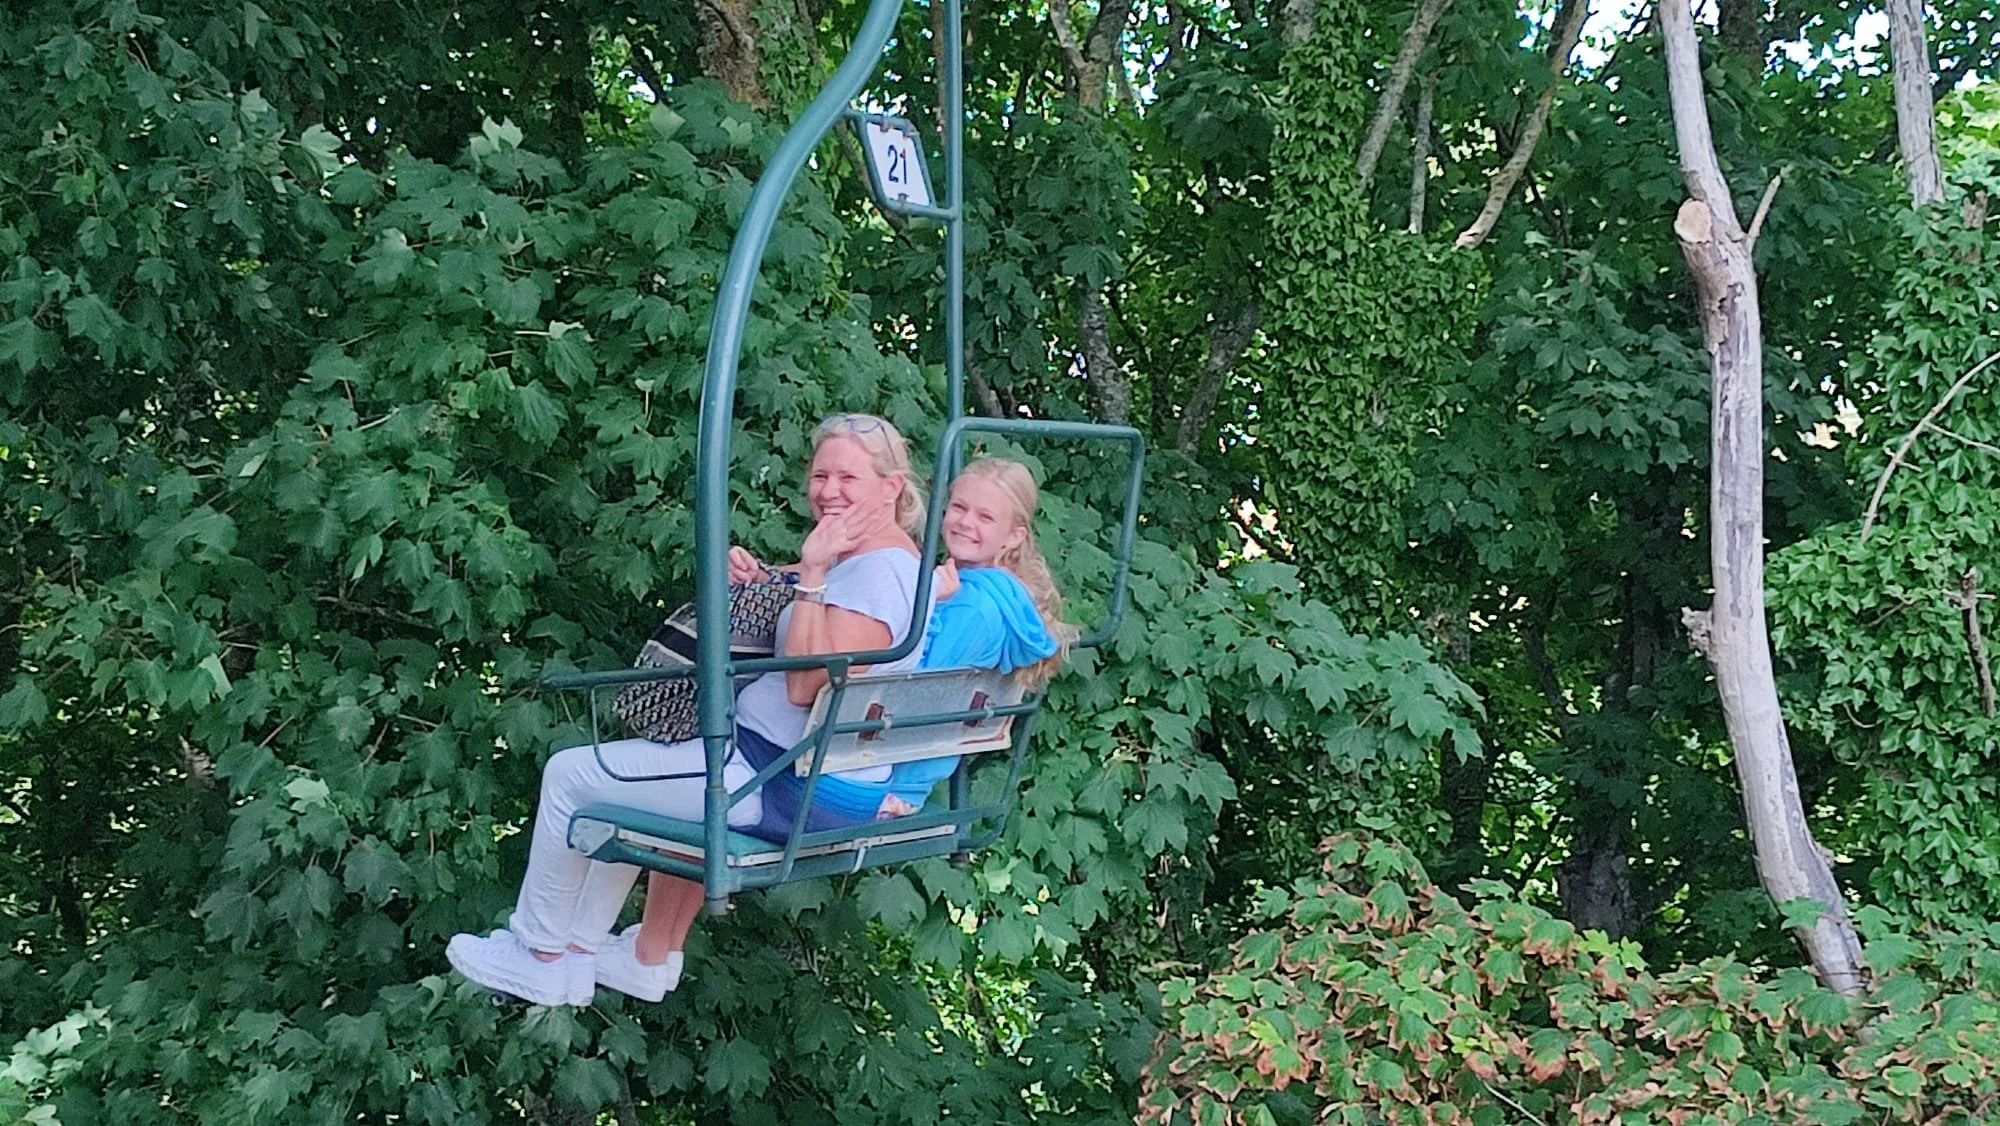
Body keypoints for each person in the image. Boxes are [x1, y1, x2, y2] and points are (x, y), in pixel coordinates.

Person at [446, 414, 929, 1007]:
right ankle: (574, 952)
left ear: (892, 487)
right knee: (631, 782)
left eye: (847, 477)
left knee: (572, 776)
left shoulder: (879, 573)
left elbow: (807, 684)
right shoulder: (875, 562)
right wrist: (770, 575)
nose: (828, 491)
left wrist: (811, 573)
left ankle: (539, 950)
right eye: (820, 474)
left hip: (777, 778)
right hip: (777, 764)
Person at [589, 457, 1075, 1002]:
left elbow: (908, 695)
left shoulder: (970, 608)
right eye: (958, 506)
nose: (963, 522)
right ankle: (651, 952)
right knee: (706, 775)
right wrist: (781, 577)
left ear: (1013, 535)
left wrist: (902, 790)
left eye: (984, 516)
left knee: (706, 774)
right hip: (865, 763)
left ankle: (638, 951)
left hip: (858, 775)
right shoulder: (981, 592)